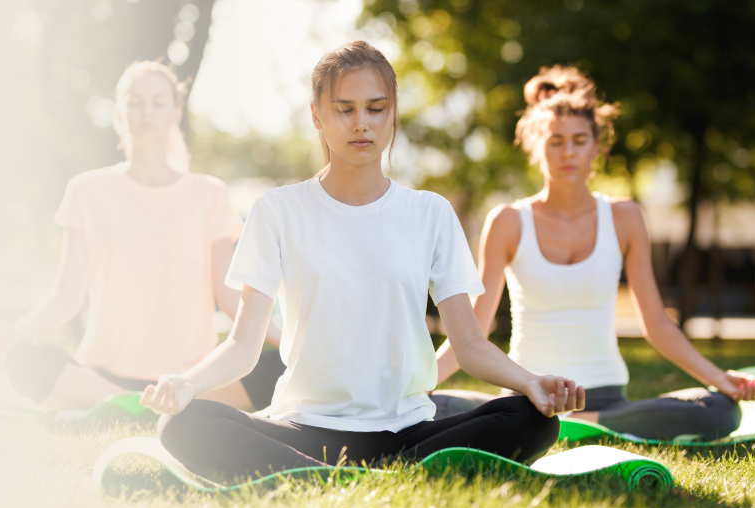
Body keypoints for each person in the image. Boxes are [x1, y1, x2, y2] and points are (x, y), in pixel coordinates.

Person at [140, 41, 584, 485]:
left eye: (375, 108)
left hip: (407, 433)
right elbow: (243, 346)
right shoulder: (276, 210)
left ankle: (325, 480)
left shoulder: (430, 213)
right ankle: (364, 478)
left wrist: (530, 382)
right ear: (317, 115)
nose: (361, 124)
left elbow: (468, 345)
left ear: (392, 114)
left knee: (532, 418)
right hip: (305, 430)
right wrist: (186, 384)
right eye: (344, 109)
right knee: (182, 423)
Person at [429, 66, 755, 441]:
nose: (568, 152)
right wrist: (417, 388)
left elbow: (655, 323)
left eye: (579, 139)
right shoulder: (508, 221)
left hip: (607, 400)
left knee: (718, 410)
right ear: (536, 147)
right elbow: (473, 330)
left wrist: (718, 378)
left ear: (597, 146)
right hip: (526, 396)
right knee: (429, 406)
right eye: (555, 141)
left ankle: (579, 425)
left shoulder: (624, 217)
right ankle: (569, 425)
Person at [0, 60, 288, 414]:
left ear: (175, 113)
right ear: (120, 113)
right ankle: (135, 404)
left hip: (190, 378)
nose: (147, 111)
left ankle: (156, 401)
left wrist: (291, 344)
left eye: (158, 102)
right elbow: (65, 294)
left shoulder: (210, 194)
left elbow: (230, 298)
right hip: (102, 373)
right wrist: (16, 333)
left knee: (279, 369)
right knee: (25, 361)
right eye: (136, 101)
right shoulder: (86, 191)